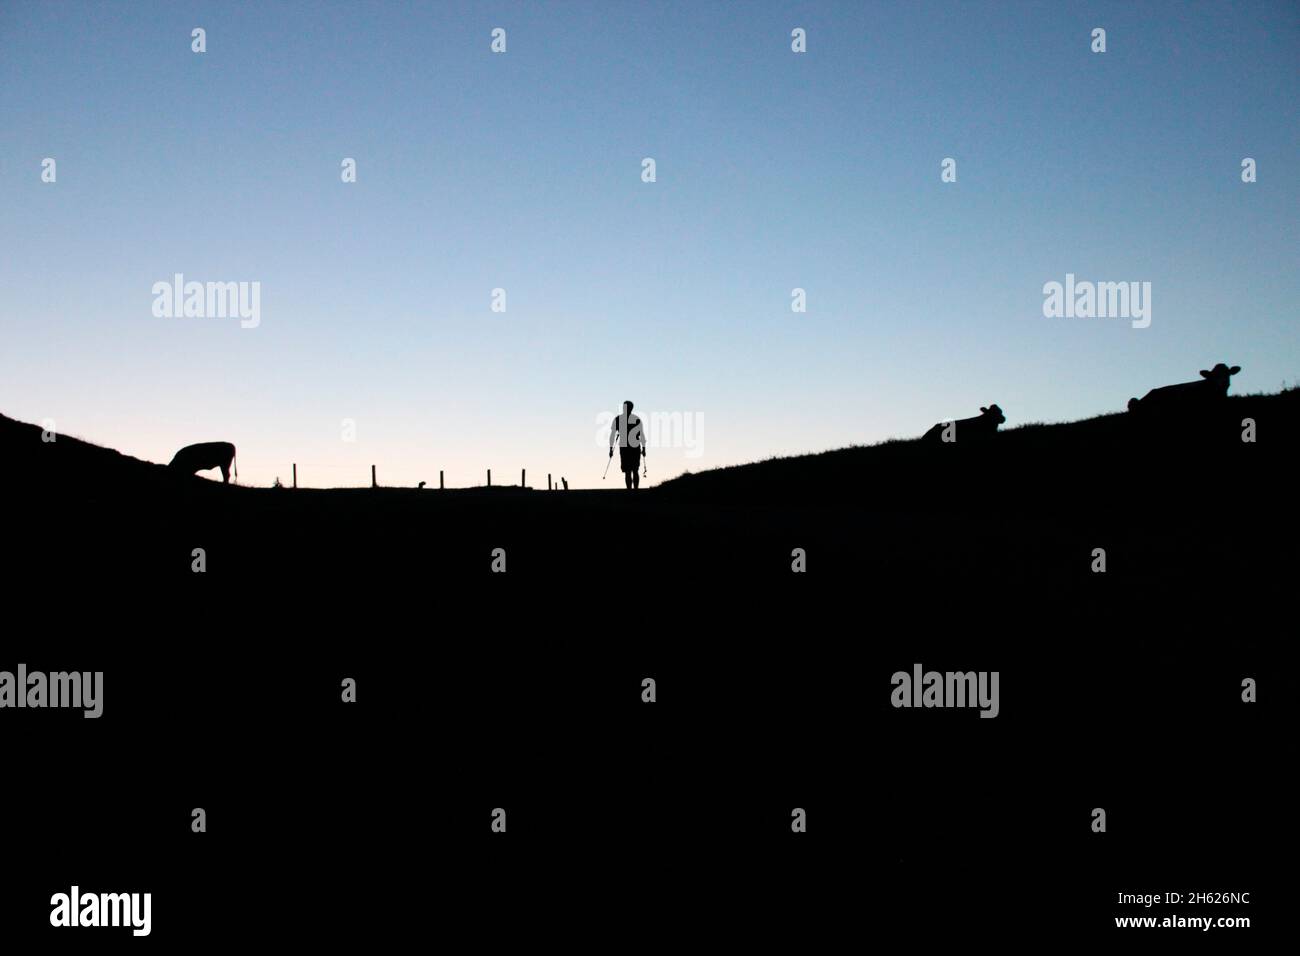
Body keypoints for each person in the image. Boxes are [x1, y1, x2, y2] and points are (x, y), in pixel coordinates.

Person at [609, 400, 646, 489]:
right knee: (633, 470)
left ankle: (630, 490)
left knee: (629, 470)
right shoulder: (636, 419)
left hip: (626, 447)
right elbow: (642, 435)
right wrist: (644, 449)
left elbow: (613, 434)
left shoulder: (618, 419)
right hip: (632, 447)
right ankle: (633, 490)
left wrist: (611, 449)